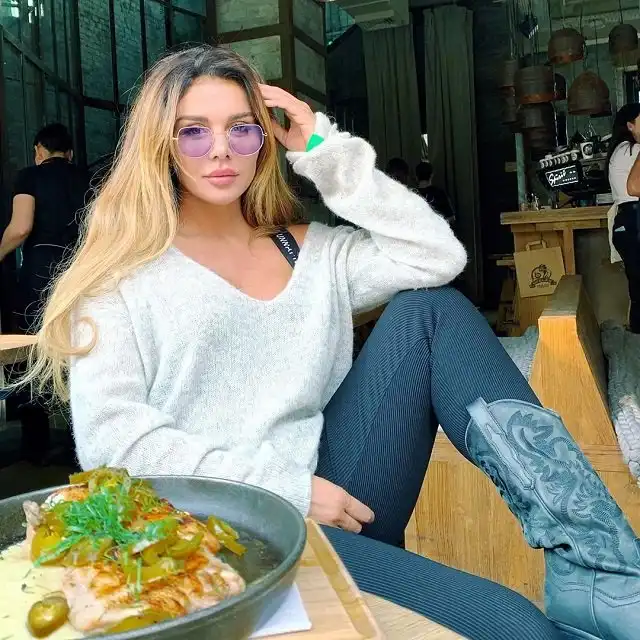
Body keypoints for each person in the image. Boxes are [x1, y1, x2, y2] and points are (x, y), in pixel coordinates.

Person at [25, 45, 639, 639]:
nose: (221, 150)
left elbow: (437, 256)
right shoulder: (119, 279)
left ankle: (601, 569)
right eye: (193, 132)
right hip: (219, 533)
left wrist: (323, 149)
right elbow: (117, 444)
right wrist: (288, 492)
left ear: (265, 138)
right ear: (161, 143)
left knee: (431, 313)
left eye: (242, 128)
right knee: (519, 627)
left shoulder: (309, 252)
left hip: (336, 494)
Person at [0, 123, 88, 463]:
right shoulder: (88, 179)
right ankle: (79, 443)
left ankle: (35, 444)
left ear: (39, 151)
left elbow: (21, 227)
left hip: (40, 271)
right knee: (79, 351)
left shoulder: (29, 177)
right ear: (70, 153)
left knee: (31, 352)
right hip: (80, 272)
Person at [611, 104, 640, 333]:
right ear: (630, 126)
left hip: (626, 222)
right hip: (634, 220)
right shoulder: (632, 149)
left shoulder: (620, 150)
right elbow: (635, 188)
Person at [416, 160, 455, 225]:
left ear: (416, 177)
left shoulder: (412, 195)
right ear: (431, 175)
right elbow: (451, 218)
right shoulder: (440, 193)